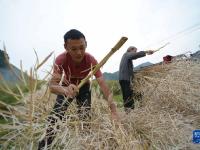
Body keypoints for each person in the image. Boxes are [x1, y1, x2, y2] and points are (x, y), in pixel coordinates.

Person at [38, 29, 119, 149]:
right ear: (66, 47)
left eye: (82, 47)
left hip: (84, 87)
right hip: (67, 85)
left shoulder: (91, 60)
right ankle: (44, 146)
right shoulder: (61, 59)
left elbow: (102, 83)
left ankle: (85, 145)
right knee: (55, 117)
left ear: (86, 44)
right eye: (74, 49)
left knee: (85, 119)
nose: (79, 53)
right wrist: (65, 90)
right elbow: (52, 86)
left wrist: (113, 110)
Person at [119, 46, 154, 113]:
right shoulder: (126, 54)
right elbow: (135, 55)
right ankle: (129, 113)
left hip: (127, 79)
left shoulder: (127, 59)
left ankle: (139, 107)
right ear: (130, 50)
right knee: (128, 96)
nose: (135, 52)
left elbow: (130, 70)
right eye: (135, 51)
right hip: (125, 79)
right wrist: (147, 52)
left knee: (136, 93)